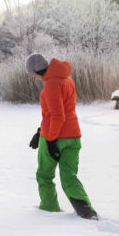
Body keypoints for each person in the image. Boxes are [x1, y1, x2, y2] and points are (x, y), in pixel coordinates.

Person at [26, 53, 98, 220]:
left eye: (31, 73)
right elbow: (59, 112)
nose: (31, 77)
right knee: (69, 176)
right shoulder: (67, 79)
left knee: (44, 176)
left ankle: (49, 211)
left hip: (55, 136)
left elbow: (57, 116)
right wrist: (39, 131)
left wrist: (50, 139)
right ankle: (87, 211)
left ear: (36, 70)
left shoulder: (51, 85)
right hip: (73, 135)